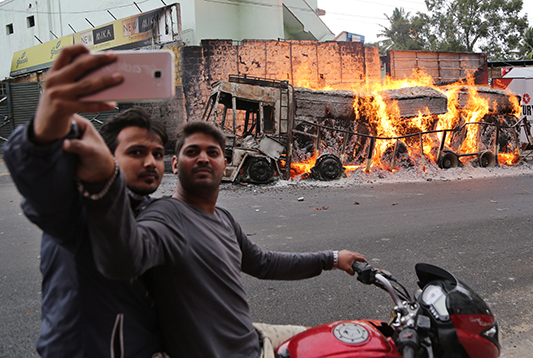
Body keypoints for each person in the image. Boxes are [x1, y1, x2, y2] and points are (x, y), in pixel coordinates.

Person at [76, 119, 368, 358]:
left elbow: (263, 263)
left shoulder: (224, 219)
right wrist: (103, 185)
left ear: (225, 163)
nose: (203, 157)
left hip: (253, 339)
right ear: (175, 164)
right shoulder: (164, 216)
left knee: (339, 342)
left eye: (212, 152)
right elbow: (128, 255)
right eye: (192, 152)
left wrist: (332, 258)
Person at [4, 45, 167, 358]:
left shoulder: (152, 209)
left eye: (158, 154)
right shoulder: (79, 207)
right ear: (105, 154)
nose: (151, 163)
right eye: (136, 152)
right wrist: (43, 135)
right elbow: (43, 185)